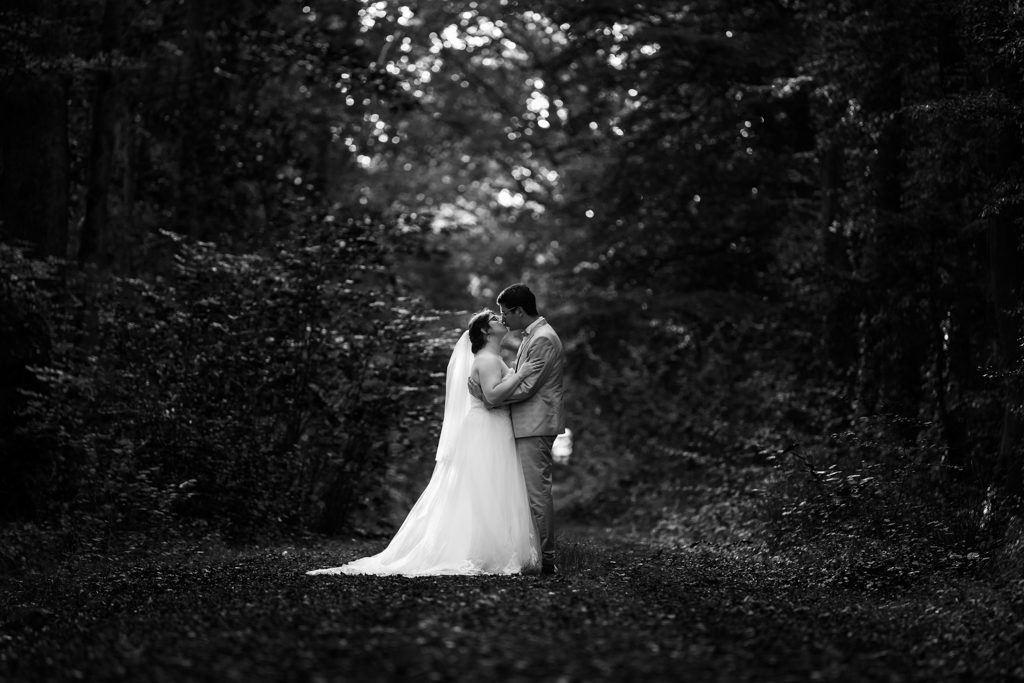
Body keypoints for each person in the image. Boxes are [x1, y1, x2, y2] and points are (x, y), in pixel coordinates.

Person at [306, 310, 543, 576]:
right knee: (483, 488)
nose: (501, 321)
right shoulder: (487, 360)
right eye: (495, 321)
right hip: (486, 429)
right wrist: (520, 375)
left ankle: (487, 548)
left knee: (487, 488)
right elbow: (491, 397)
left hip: (490, 426)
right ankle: (483, 551)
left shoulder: (492, 358)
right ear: (487, 332)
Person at [469, 283, 565, 575]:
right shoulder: (532, 337)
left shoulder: (542, 339)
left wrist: (490, 398)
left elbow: (525, 388)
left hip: (534, 424)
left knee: (537, 494)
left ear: (519, 311)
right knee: (525, 494)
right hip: (526, 424)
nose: (503, 319)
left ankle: (548, 560)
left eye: (504, 313)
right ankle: (533, 554)